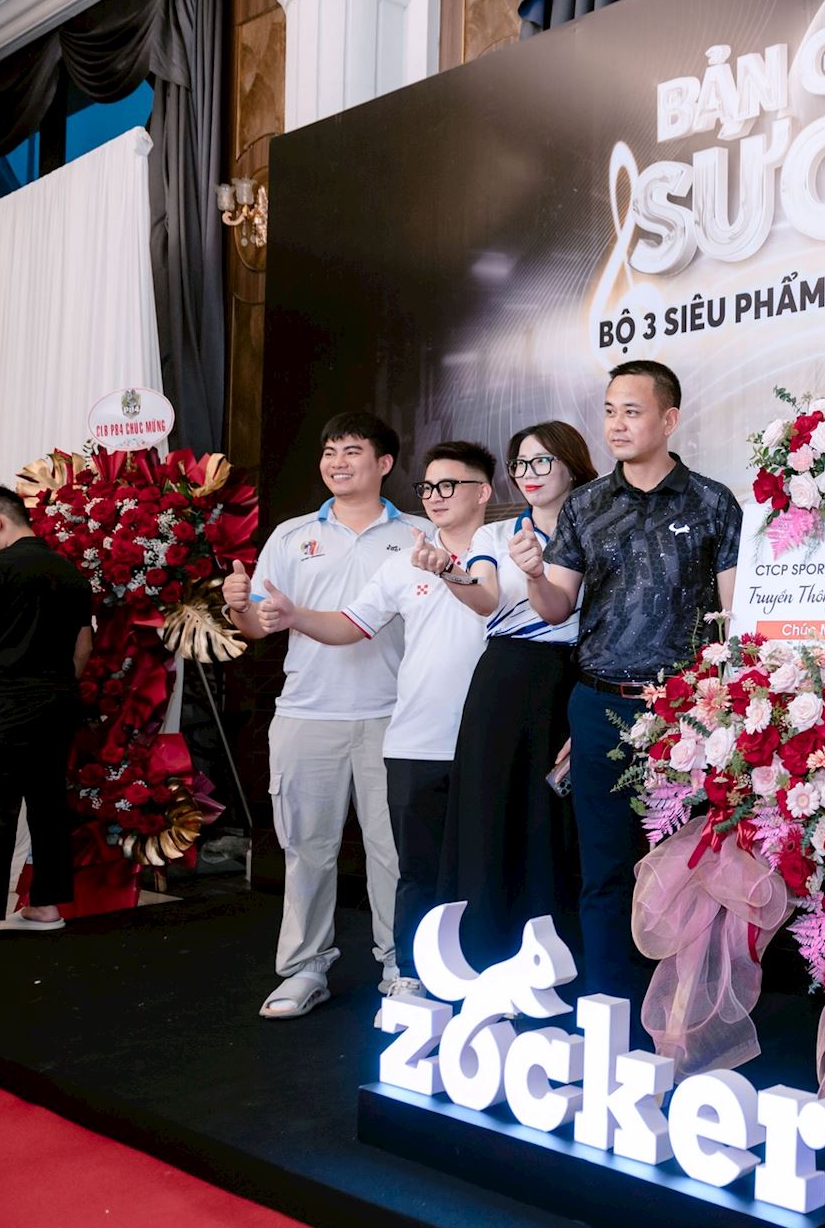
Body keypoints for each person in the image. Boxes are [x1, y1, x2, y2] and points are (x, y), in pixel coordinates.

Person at [519, 361, 741, 1023]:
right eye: (610, 410)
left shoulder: (712, 502)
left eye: (632, 411)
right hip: (599, 704)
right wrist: (533, 576)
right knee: (605, 867)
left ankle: (687, 1015)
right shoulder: (586, 504)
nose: (617, 424)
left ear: (669, 419)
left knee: (690, 867)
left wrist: (720, 706)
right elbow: (557, 606)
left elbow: (734, 619)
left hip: (685, 714)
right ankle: (606, 1014)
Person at [258, 441, 494, 995]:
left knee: (477, 862)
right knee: (406, 864)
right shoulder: (402, 561)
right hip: (414, 738)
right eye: (428, 487)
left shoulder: (508, 547)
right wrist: (295, 615)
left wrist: (452, 572)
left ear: (483, 491)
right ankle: (400, 971)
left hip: (490, 736)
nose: (435, 497)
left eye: (449, 486)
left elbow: (496, 601)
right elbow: (350, 624)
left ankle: (474, 974)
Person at [223, 412, 431, 1017]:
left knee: (393, 852)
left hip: (396, 718)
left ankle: (401, 967)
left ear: (384, 463)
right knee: (307, 848)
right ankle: (305, 968)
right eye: (330, 451)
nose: (337, 462)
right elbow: (258, 625)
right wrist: (238, 607)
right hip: (307, 713)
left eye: (352, 451)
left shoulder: (419, 534)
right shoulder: (292, 536)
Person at [431, 421, 596, 966]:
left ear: (572, 465)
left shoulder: (597, 530)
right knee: (489, 809)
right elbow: (484, 598)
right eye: (520, 464)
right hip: (503, 679)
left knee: (554, 818)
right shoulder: (497, 534)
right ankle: (481, 951)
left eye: (542, 461)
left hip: (573, 679)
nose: (529, 474)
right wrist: (448, 572)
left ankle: (556, 963)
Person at [0, 487, 93, 947]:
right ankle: (45, 906)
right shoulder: (69, 571)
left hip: (5, 702)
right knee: (47, 803)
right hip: (58, 701)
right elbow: (83, 648)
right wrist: (52, 687)